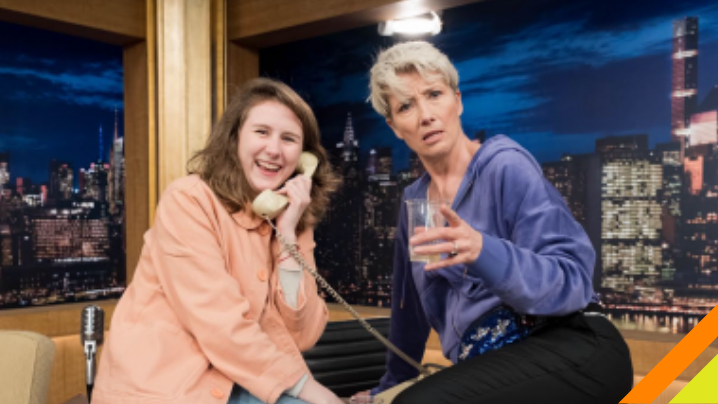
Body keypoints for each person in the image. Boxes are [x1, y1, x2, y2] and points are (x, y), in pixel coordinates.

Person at [353, 41, 633, 404]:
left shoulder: (505, 166)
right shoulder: (415, 202)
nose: (425, 115)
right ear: (393, 126)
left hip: (573, 343)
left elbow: (574, 281)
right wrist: (387, 389)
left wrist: (483, 250)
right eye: (406, 106)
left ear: (458, 100)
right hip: (494, 366)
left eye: (434, 94)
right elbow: (408, 315)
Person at [93, 78, 343, 404]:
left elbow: (302, 335)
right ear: (235, 138)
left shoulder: (291, 220)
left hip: (243, 384)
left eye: (289, 139)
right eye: (262, 132)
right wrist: (314, 392)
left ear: (304, 158)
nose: (274, 149)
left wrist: (288, 239)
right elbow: (219, 324)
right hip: (168, 388)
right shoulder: (189, 200)